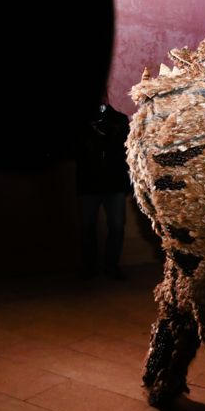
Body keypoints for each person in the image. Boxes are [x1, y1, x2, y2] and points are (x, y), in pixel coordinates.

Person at [75, 101, 131, 279]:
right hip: (89, 183)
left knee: (116, 226)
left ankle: (111, 266)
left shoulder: (119, 120)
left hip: (113, 184)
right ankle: (90, 267)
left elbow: (126, 150)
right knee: (87, 227)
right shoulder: (82, 121)